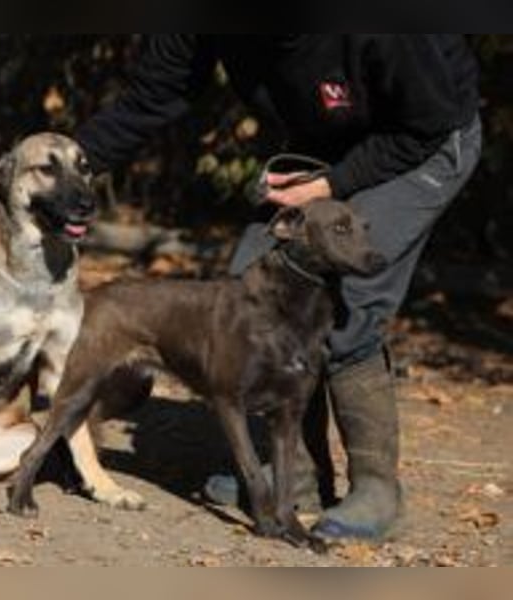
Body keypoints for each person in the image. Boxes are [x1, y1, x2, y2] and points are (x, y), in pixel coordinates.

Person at [75, 35, 482, 541]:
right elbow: (151, 97)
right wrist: (63, 166)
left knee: (351, 302)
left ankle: (377, 487)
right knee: (256, 286)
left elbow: (427, 122)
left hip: (426, 140)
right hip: (326, 143)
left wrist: (331, 185)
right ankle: (298, 480)